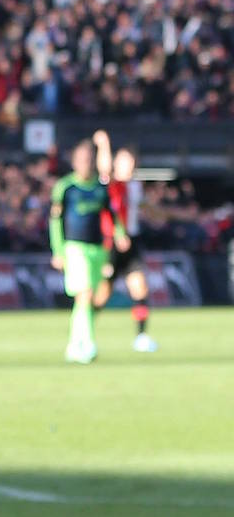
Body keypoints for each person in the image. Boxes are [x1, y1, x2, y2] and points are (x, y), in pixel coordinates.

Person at [93, 129, 156, 353]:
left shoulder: (135, 187)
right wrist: (104, 145)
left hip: (133, 242)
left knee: (140, 288)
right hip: (111, 245)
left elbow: (146, 210)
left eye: (130, 162)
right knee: (101, 295)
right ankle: (85, 333)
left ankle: (141, 337)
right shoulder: (111, 185)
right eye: (123, 161)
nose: (127, 166)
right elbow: (104, 170)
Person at [49, 139, 110, 364]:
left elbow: (110, 218)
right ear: (75, 162)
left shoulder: (100, 188)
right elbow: (55, 221)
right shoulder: (65, 187)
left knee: (88, 299)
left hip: (97, 249)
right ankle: (88, 343)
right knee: (84, 294)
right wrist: (58, 250)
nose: (86, 164)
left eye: (89, 160)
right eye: (82, 160)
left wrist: (118, 238)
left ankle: (74, 344)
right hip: (74, 248)